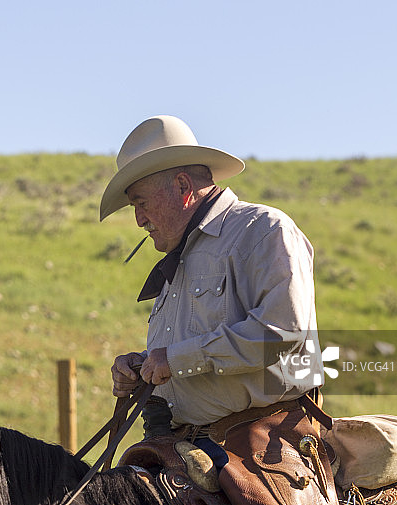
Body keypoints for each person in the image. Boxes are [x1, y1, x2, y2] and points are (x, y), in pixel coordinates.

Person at [100, 115, 338, 505]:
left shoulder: (263, 230)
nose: (139, 219)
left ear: (182, 187)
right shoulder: (178, 259)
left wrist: (175, 359)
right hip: (181, 444)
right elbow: (185, 355)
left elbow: (285, 336)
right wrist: (141, 366)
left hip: (261, 443)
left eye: (140, 203)